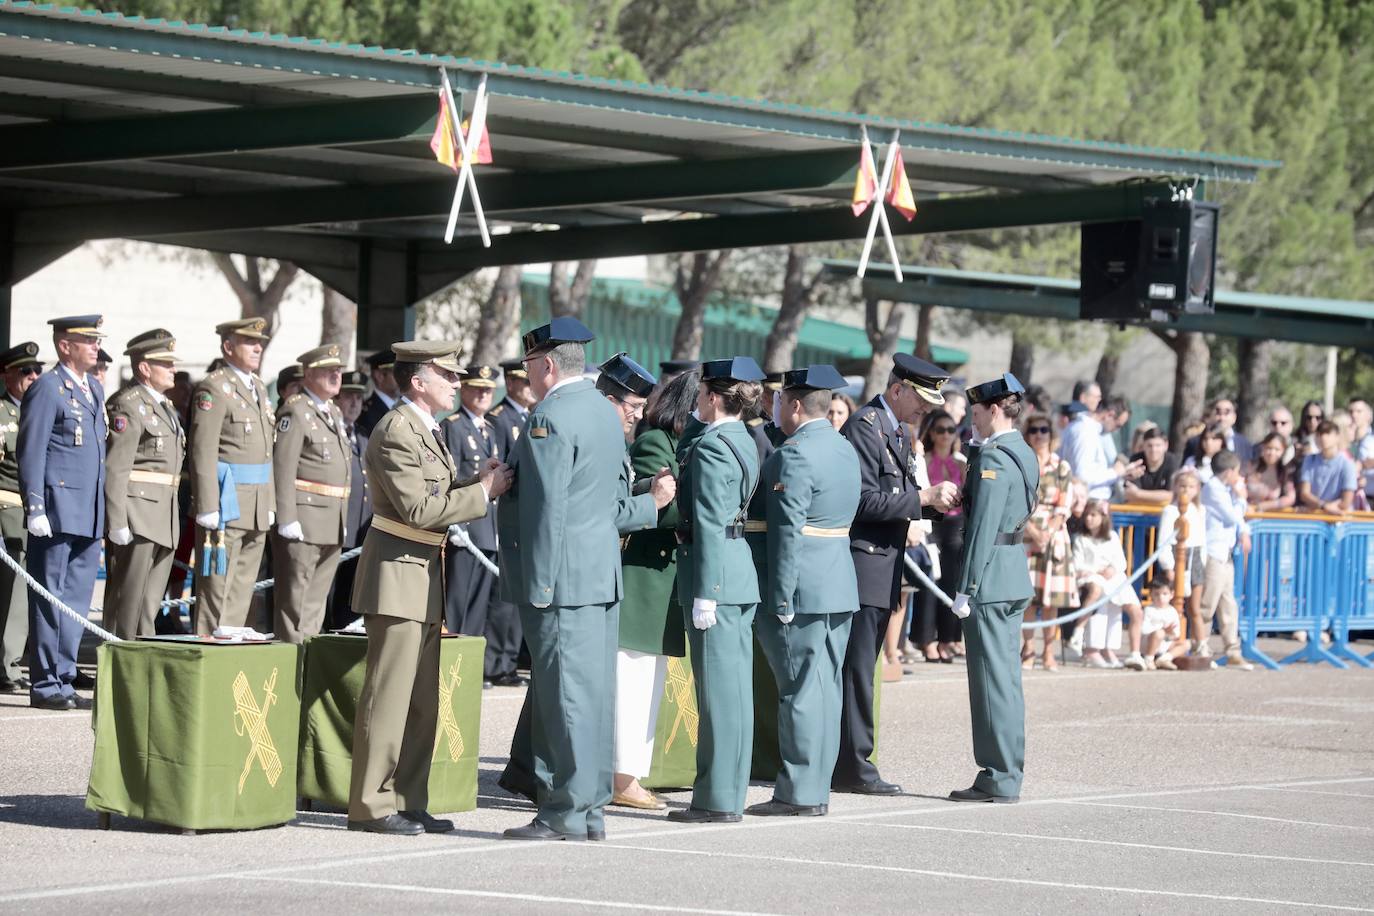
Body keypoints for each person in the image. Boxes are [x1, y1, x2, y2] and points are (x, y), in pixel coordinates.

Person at [498, 320, 666, 842]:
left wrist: (540, 584)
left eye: (529, 365)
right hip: (598, 576)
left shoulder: (549, 416)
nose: (527, 374)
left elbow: (547, 509)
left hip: (562, 579)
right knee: (591, 698)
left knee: (564, 700)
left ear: (547, 365)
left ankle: (565, 812)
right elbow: (611, 500)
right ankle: (589, 809)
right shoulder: (601, 411)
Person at [347, 340, 512, 836]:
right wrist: (481, 493)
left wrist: (473, 482)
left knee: (421, 702)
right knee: (388, 698)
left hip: (421, 577)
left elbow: (434, 493)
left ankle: (408, 798)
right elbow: (418, 510)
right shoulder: (396, 430)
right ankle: (371, 805)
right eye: (448, 376)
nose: (457, 384)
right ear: (418, 382)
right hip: (397, 575)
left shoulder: (425, 428)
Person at [835, 354, 959, 795]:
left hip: (883, 563)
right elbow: (862, 501)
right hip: (864, 562)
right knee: (857, 672)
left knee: (862, 670)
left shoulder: (898, 430)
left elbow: (898, 495)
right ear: (897, 390)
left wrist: (932, 504)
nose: (926, 410)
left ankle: (850, 763)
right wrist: (922, 498)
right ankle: (854, 767)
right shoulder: (865, 427)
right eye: (921, 401)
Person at [747, 365, 860, 818]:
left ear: (794, 405)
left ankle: (799, 791)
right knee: (825, 689)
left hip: (803, 588)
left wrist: (781, 595)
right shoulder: (843, 447)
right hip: (837, 582)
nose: (775, 407)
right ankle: (816, 785)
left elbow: (787, 532)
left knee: (799, 690)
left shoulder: (792, 455)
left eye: (779, 400)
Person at [667, 356, 765, 825]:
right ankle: (729, 790)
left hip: (715, 575)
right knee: (735, 692)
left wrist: (705, 591)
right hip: (737, 570)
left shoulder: (711, 448)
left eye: (701, 394)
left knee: (718, 697)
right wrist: (697, 419)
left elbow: (706, 520)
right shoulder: (740, 437)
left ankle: (716, 798)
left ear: (711, 396)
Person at [948, 373, 1039, 803]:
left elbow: (982, 528)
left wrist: (966, 586)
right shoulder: (1021, 451)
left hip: (989, 577)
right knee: (1006, 680)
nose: (973, 418)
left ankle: (998, 774)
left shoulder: (995, 459)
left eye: (977, 411)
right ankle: (1007, 768)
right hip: (1011, 569)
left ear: (996, 409)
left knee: (991, 683)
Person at [615, 367, 698, 811]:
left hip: (664, 580)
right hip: (643, 579)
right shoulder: (656, 442)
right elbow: (654, 510)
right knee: (634, 682)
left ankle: (629, 775)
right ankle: (622, 778)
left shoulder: (680, 444)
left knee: (648, 683)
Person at [18, 316, 108, 710]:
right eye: (87, 340)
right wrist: (34, 505)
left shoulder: (94, 389)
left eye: (96, 339)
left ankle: (65, 676)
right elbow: (32, 449)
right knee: (48, 597)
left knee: (75, 601)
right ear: (65, 346)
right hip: (56, 509)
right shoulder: (48, 387)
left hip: (88, 511)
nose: (95, 346)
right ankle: (45, 683)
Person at [188, 318, 276, 634]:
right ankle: (209, 641)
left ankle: (231, 636)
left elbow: (267, 451)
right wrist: (207, 504)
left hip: (256, 500)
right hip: (227, 500)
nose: (258, 348)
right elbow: (202, 449)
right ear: (228, 347)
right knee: (216, 582)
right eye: (249, 342)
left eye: (260, 342)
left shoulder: (258, 388)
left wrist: (270, 501)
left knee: (243, 581)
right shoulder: (214, 387)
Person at [103, 330, 185, 640]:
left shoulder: (165, 407)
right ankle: (119, 656)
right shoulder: (128, 405)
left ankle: (141, 655)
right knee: (127, 599)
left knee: (148, 604)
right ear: (145, 368)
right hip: (137, 514)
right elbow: (116, 467)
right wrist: (117, 521)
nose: (173, 369)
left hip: (163, 514)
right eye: (166, 363)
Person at [270, 344, 350, 643]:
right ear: (308, 374)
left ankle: (307, 663)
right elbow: (282, 466)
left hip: (331, 521)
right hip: (304, 521)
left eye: (338, 370)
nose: (336, 375)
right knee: (294, 604)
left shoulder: (333, 412)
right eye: (328, 370)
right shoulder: (296, 410)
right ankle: (290, 663)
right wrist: (286, 517)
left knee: (315, 606)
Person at [441, 364, 502, 645]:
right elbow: (451, 479)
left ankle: (469, 661)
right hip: (465, 529)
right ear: (463, 390)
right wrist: (456, 525)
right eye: (477, 389)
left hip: (487, 528)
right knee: (458, 605)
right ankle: (449, 660)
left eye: (488, 390)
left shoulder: (490, 429)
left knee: (477, 608)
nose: (483, 395)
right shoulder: (453, 426)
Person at [484, 357, 535, 683]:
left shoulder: (528, 416)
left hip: (525, 516)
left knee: (518, 596)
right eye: (524, 381)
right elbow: (500, 468)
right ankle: (494, 664)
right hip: (505, 512)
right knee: (502, 599)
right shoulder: (499, 418)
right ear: (512, 383)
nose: (529, 387)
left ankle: (509, 661)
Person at [1019, 412, 1076, 672]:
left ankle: (1049, 651)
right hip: (1027, 532)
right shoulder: (1022, 465)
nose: (1039, 435)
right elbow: (1016, 502)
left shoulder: (1062, 466)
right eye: (1034, 430)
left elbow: (1065, 505)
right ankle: (1029, 648)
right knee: (1028, 598)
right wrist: (1032, 530)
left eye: (1044, 430)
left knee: (1052, 600)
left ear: (1051, 434)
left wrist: (1047, 533)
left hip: (1054, 535)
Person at [0, 342, 41, 694]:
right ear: (7, 376)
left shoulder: (38, 411)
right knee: (12, 594)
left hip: (36, 513)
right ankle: (8, 667)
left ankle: (13, 661)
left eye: (36, 370)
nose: (33, 376)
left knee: (27, 594)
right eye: (25, 371)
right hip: (8, 511)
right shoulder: (2, 414)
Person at [914, 409, 965, 663]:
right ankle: (926, 640)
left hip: (955, 524)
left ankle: (948, 638)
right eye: (940, 430)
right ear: (932, 433)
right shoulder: (923, 460)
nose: (946, 434)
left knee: (952, 582)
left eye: (951, 429)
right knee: (930, 580)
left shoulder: (961, 463)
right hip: (932, 522)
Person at [1198, 450, 1253, 670]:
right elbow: (1232, 517)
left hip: (1225, 552)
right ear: (1229, 472)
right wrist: (1241, 498)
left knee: (1228, 603)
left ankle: (1232, 650)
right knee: (1208, 603)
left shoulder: (1225, 490)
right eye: (1237, 472)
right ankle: (1201, 646)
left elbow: (1238, 521)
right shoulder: (1213, 488)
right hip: (1213, 552)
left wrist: (1244, 530)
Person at [329, 369, 372, 628]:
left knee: (349, 595)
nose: (355, 403)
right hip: (334, 526)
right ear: (336, 399)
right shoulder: (331, 431)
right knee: (328, 593)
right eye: (348, 397)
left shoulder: (363, 435)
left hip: (359, 531)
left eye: (358, 397)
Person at [1155, 469, 1206, 644]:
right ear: (1176, 487)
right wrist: (1168, 566)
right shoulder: (1170, 510)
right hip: (1177, 556)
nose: (1186, 490)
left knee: (1195, 607)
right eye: (1182, 486)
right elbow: (1164, 541)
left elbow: (1202, 539)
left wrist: (1203, 562)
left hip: (1195, 557)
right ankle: (1173, 642)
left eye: (1191, 487)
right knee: (1175, 604)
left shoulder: (1200, 509)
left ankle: (1200, 643)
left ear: (1197, 489)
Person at [1061, 396, 1139, 500]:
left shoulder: (1087, 430)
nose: (1115, 430)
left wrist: (1122, 473)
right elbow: (1081, 477)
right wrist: (1115, 472)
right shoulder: (1085, 432)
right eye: (1117, 425)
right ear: (1109, 415)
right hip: (1086, 501)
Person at [1298, 420, 1357, 515]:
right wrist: (1323, 506)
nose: (1323, 437)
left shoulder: (1347, 464)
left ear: (1337, 436)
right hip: (1315, 517)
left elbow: (1346, 501)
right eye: (1320, 434)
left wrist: (1328, 507)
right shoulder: (1309, 460)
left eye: (1328, 433)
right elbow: (1304, 493)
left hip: (1340, 518)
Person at [1185, 397, 1253, 465]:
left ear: (1234, 417)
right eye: (1218, 413)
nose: (1222, 418)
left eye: (1226, 413)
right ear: (1211, 416)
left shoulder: (1244, 443)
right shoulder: (1195, 442)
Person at [1124, 427, 1178, 505]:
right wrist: (1159, 496)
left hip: (1164, 509)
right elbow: (1130, 494)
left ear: (1166, 446)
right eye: (1149, 445)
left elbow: (1171, 495)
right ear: (1143, 446)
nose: (1153, 450)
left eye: (1158, 445)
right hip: (1138, 508)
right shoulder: (1136, 460)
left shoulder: (1171, 461)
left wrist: (1139, 493)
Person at [1246, 432, 1296, 512]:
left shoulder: (1284, 473)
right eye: (1268, 448)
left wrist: (1267, 505)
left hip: (1270, 516)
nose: (1272, 453)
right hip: (1246, 513)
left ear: (1283, 451)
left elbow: (1291, 498)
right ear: (1262, 448)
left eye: (1277, 449)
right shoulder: (1250, 467)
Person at [355, 348, 398, 437]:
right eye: (397, 373)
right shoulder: (367, 414)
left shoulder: (404, 405)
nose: (403, 378)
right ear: (379, 376)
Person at [1141, 581, 1181, 671]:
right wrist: (1163, 631)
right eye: (1156, 594)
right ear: (1151, 594)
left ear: (1171, 594)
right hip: (1149, 643)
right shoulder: (1149, 610)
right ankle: (1149, 659)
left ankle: (1164, 659)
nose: (1160, 597)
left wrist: (1170, 635)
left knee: (1186, 644)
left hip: (1165, 643)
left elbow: (1177, 633)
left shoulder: (1173, 611)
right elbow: (1144, 630)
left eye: (1165, 594)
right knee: (1159, 633)